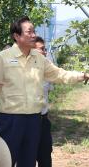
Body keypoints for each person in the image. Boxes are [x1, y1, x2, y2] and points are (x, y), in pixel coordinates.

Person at [0, 16, 89, 167]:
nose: (33, 35)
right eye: (29, 32)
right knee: (5, 162)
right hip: (10, 120)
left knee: (28, 162)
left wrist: (84, 75)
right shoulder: (3, 58)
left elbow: (60, 74)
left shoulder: (39, 58)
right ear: (17, 36)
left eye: (34, 31)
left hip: (34, 120)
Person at [34, 36, 54, 167]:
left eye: (45, 48)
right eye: (42, 49)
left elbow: (50, 89)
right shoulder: (22, 70)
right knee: (26, 158)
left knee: (45, 157)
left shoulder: (47, 67)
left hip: (43, 120)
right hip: (27, 120)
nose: (45, 52)